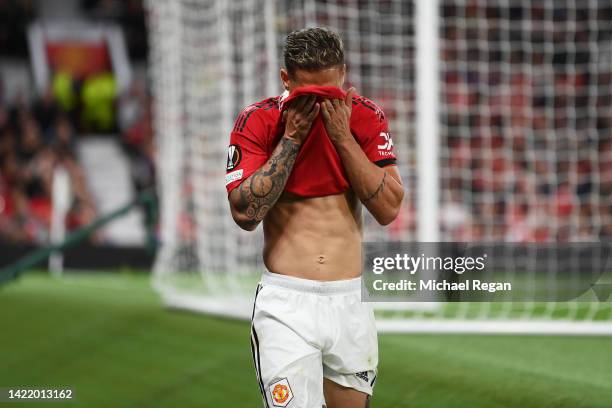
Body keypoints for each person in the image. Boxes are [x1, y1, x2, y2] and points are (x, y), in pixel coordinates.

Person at [226, 27, 404, 408]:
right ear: (285, 80)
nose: (322, 104)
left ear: (343, 74)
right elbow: (244, 213)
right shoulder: (257, 121)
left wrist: (343, 138)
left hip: (350, 303)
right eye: (310, 95)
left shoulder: (366, 118)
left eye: (331, 92)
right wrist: (291, 139)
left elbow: (388, 208)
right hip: (287, 304)